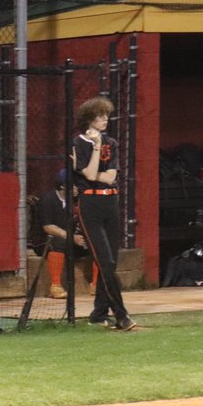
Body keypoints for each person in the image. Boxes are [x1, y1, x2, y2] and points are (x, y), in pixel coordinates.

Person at [72, 96, 136, 330]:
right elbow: (89, 174)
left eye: (106, 116)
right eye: (100, 116)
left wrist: (96, 172)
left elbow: (110, 177)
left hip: (111, 202)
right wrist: (96, 146)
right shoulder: (78, 143)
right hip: (90, 204)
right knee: (105, 261)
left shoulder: (112, 142)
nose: (105, 120)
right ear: (89, 119)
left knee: (110, 262)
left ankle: (99, 314)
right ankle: (121, 314)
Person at [38, 168, 94, 299]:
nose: (76, 188)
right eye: (73, 185)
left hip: (73, 239)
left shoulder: (78, 200)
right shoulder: (48, 199)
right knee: (58, 242)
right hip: (48, 240)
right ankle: (55, 286)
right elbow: (48, 227)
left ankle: (96, 285)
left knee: (95, 243)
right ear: (63, 186)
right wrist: (71, 237)